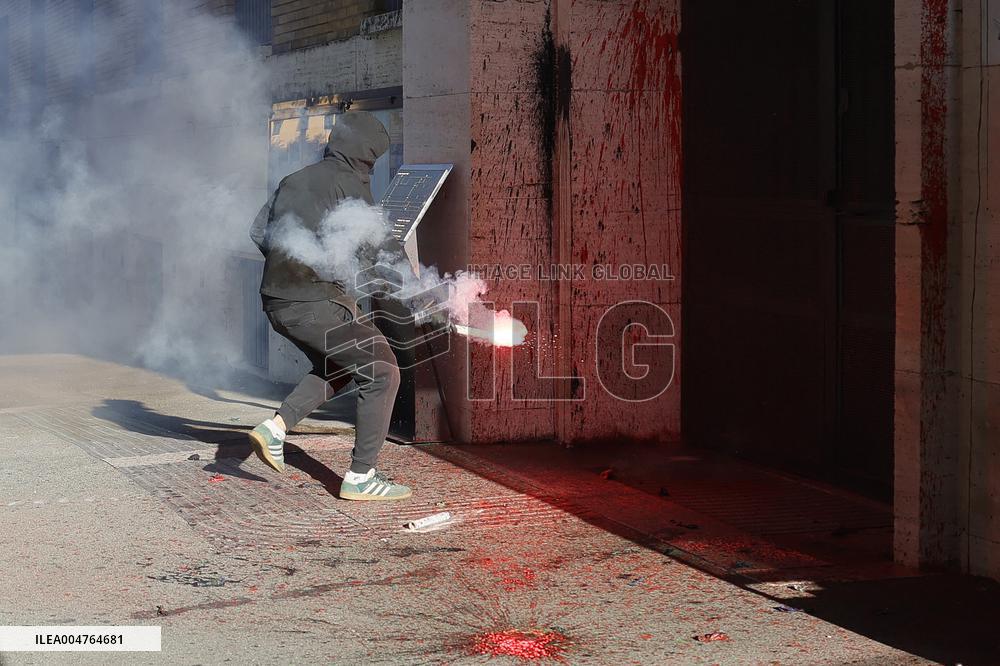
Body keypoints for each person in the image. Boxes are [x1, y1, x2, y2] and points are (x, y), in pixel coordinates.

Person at [247, 110, 411, 501]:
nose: (372, 166)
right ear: (365, 153)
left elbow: (258, 231)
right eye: (373, 158)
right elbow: (379, 251)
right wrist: (417, 292)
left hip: (277, 301)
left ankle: (275, 429)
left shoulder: (295, 179)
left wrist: (289, 267)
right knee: (383, 372)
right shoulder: (350, 183)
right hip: (314, 300)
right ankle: (361, 476)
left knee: (338, 364)